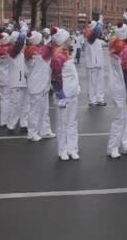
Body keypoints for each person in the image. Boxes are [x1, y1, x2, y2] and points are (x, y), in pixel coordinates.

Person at [50, 27, 81, 161]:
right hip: (64, 95)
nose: (71, 39)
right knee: (62, 123)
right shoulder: (58, 57)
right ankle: (62, 150)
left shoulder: (66, 53)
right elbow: (55, 78)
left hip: (73, 93)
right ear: (63, 40)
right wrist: (60, 95)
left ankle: (72, 148)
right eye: (68, 38)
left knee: (72, 122)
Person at [106, 22, 127, 159]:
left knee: (124, 117)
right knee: (120, 118)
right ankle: (113, 147)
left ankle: (126, 144)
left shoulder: (115, 46)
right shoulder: (125, 51)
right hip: (122, 88)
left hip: (117, 86)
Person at [24, 31, 56, 142]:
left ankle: (45, 130)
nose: (43, 40)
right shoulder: (34, 51)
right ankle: (32, 133)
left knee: (44, 109)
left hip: (42, 84)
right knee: (35, 110)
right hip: (36, 84)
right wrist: (56, 37)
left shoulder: (35, 50)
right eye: (41, 38)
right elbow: (49, 48)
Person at [7, 29, 29, 133]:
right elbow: (19, 43)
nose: (24, 44)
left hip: (25, 81)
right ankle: (11, 126)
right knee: (15, 104)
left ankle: (24, 124)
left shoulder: (23, 51)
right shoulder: (11, 51)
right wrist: (24, 30)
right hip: (16, 82)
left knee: (25, 104)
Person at [83, 16, 106, 106]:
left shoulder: (96, 40)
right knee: (92, 83)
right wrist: (100, 21)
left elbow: (103, 42)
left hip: (99, 64)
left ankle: (100, 98)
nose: (100, 31)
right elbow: (96, 31)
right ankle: (92, 100)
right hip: (92, 65)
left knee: (100, 82)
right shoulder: (89, 37)